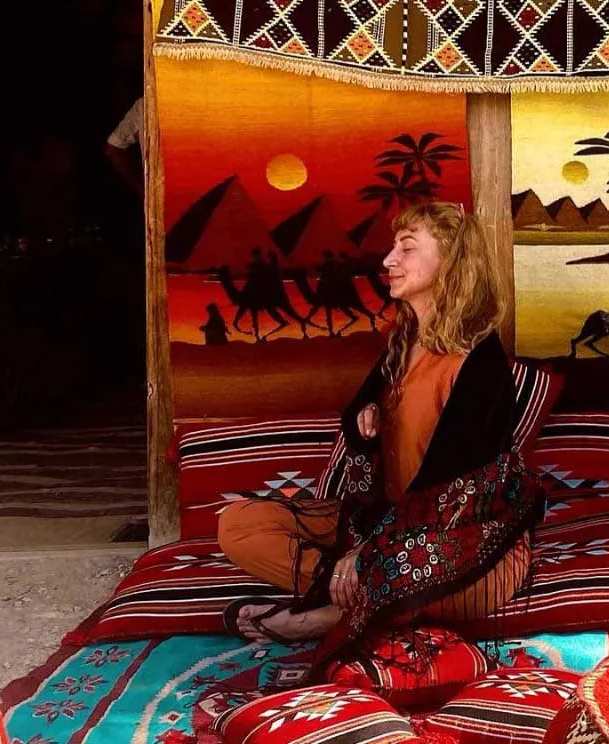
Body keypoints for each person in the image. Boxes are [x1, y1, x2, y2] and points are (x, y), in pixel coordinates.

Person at [216, 201, 542, 650]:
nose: (389, 260)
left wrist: (368, 552)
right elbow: (353, 420)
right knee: (237, 525)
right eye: (393, 248)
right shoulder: (403, 342)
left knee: (460, 584)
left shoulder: (479, 362)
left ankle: (322, 616)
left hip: (462, 539)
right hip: (384, 527)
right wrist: (365, 416)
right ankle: (355, 598)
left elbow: (445, 488)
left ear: (450, 262)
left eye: (406, 248)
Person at [104, 97, 143, 197]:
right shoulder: (144, 105)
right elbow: (113, 147)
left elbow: (113, 147)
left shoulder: (144, 104)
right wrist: (139, 186)